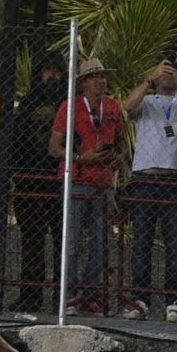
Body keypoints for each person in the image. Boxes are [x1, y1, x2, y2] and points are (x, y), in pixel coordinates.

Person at [120, 56, 177, 321]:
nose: (169, 75)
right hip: (145, 178)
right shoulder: (146, 102)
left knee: (175, 243)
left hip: (175, 180)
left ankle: (174, 300)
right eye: (164, 71)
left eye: (173, 72)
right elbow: (128, 106)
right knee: (142, 242)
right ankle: (140, 299)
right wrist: (149, 79)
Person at [49, 58, 121, 314]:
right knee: (72, 242)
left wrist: (116, 157)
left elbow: (120, 143)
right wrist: (81, 157)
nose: (100, 81)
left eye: (102, 76)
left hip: (103, 183)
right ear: (83, 83)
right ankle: (68, 295)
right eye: (94, 77)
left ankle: (91, 294)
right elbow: (54, 147)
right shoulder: (69, 107)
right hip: (77, 180)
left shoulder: (113, 107)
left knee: (100, 243)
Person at [6, 53, 68, 313]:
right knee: (31, 240)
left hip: (60, 180)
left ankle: (60, 297)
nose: (51, 76)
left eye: (56, 70)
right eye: (47, 70)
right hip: (30, 180)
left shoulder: (69, 102)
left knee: (62, 241)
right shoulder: (29, 102)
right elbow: (17, 139)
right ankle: (30, 295)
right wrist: (18, 174)